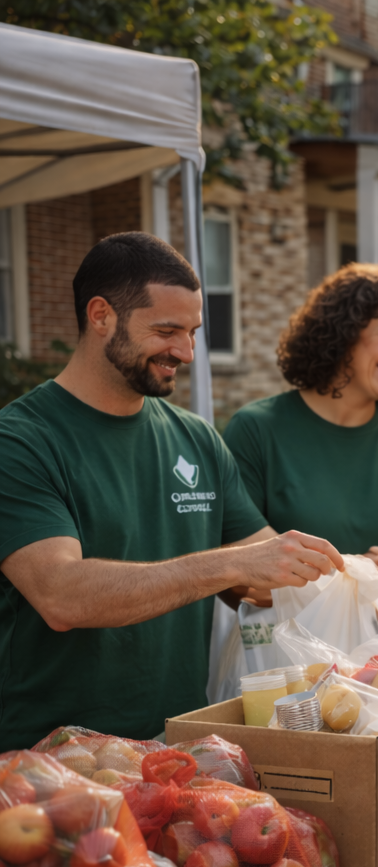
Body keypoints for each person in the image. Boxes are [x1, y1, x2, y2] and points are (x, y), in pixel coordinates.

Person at [0, 232, 343, 749]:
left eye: (193, 332)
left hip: (181, 746)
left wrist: (345, 576)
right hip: (52, 759)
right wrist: (229, 566)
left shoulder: (197, 438)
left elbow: (263, 575)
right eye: (166, 331)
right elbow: (60, 595)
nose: (184, 351)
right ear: (101, 316)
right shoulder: (20, 440)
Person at [224, 264, 378, 597]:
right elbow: (231, 575)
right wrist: (339, 582)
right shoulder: (256, 430)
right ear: (344, 333)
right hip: (285, 647)